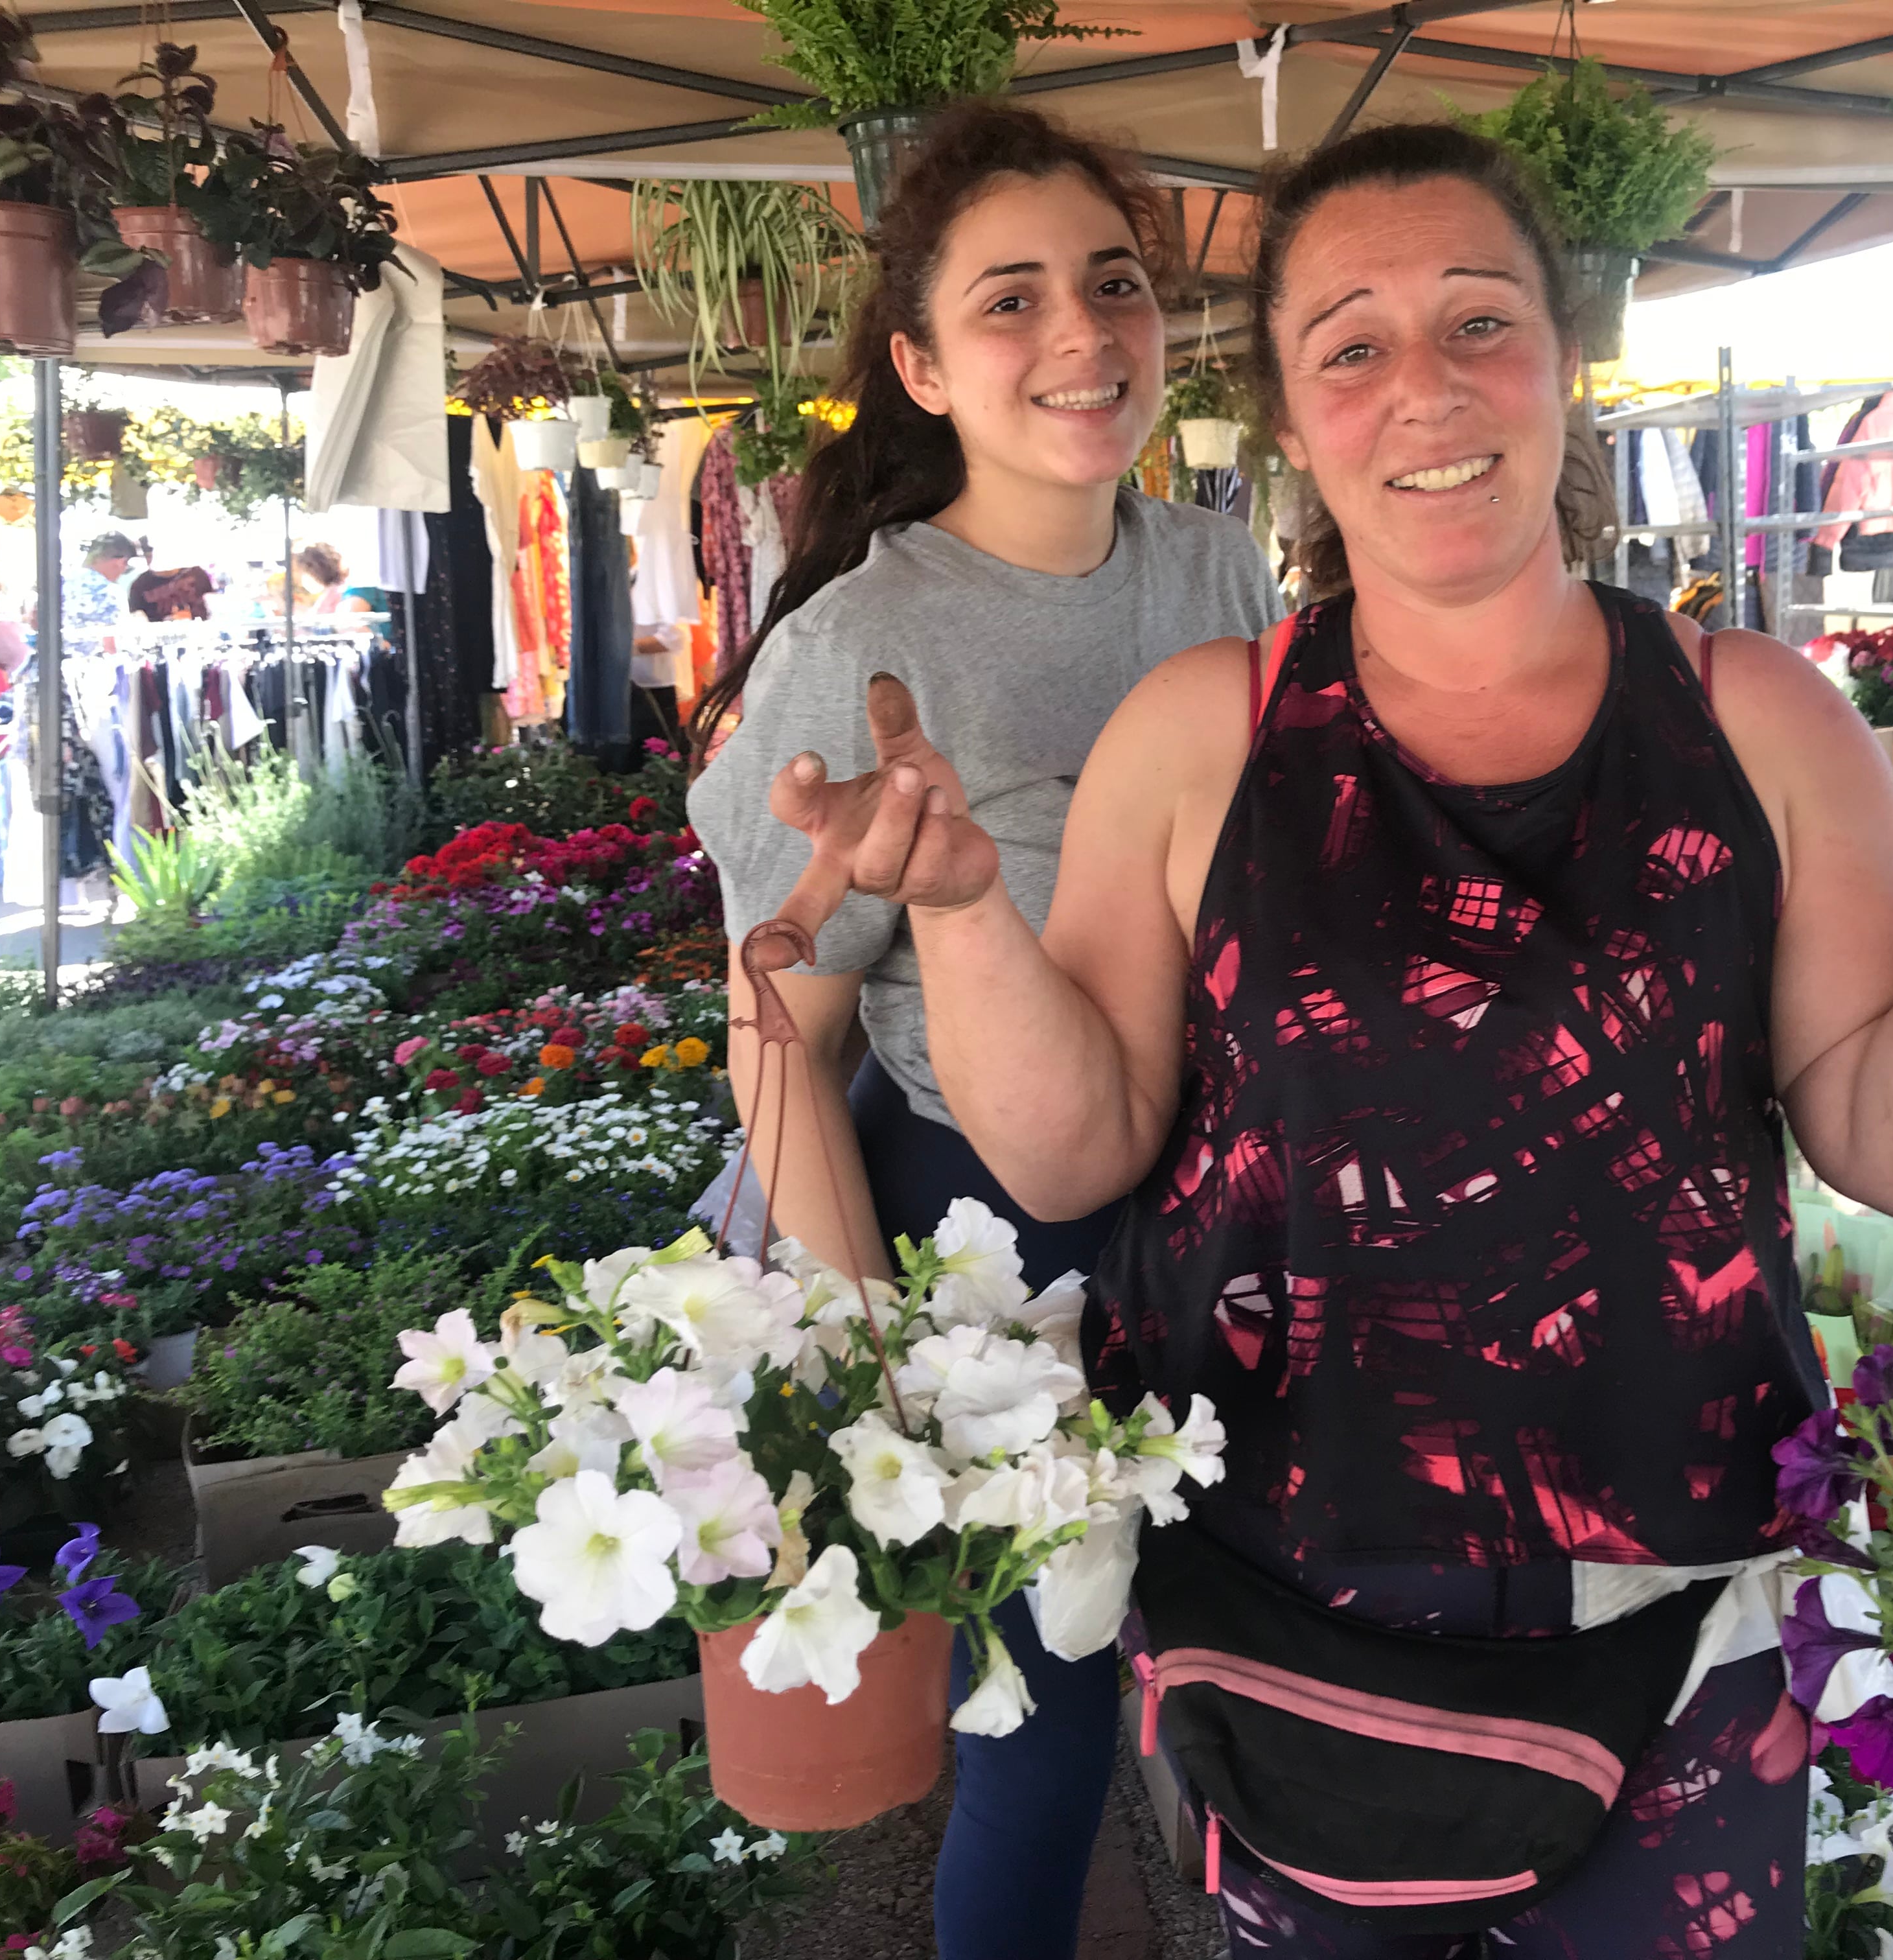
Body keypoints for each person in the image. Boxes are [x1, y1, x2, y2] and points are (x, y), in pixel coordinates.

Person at [756, 122, 1893, 1955]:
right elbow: (1076, 1146)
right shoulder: (1204, 735)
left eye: (1478, 322)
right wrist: (961, 916)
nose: (1422, 388)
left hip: (1680, 1625)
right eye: (1349, 345)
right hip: (1292, 1619)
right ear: (1288, 414)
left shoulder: (1756, 716)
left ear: (1565, 361)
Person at [684, 100, 1282, 1960]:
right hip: (987, 1248)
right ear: (924, 366)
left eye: (1113, 285)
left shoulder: (1216, 568)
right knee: (1043, 1723)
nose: (1084, 336)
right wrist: (873, 1361)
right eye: (1010, 302)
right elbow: (774, 1012)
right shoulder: (867, 646)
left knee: (1256, 1670)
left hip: (1224, 1211)